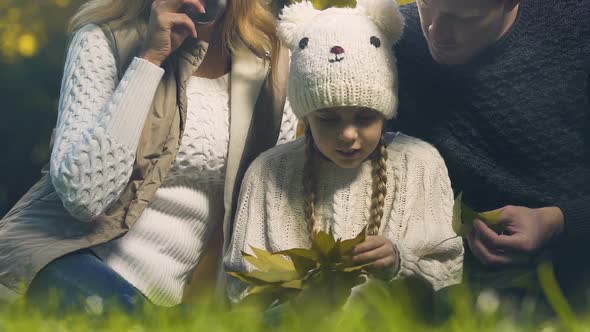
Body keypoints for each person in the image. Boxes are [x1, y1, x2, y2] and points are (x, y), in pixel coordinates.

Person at [0, 0, 297, 313]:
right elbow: (83, 196)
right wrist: (150, 59)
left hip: (155, 304)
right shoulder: (102, 39)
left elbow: (273, 209)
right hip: (60, 262)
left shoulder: (272, 62)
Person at [223, 0, 463, 306]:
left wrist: (400, 263)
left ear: (386, 113)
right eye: (328, 119)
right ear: (305, 115)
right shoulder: (268, 173)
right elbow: (241, 288)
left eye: (365, 117)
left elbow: (449, 273)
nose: (348, 135)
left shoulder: (421, 164)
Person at [392, 0, 590, 309]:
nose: (435, 30)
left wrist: (558, 220)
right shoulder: (391, 37)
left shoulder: (578, 28)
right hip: (438, 287)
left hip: (570, 278)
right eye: (425, 4)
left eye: (462, 18)